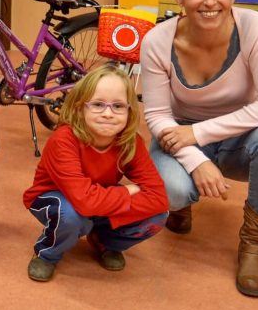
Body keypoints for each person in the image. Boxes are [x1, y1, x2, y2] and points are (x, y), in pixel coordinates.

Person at [140, 0, 258, 297]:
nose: (210, 1)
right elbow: (157, 115)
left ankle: (255, 244)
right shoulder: (156, 41)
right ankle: (182, 205)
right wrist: (195, 160)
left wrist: (198, 133)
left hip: (240, 136)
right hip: (177, 134)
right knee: (172, 191)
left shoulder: (254, 26)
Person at [23, 65, 169, 282]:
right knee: (72, 216)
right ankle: (47, 253)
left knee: (158, 216)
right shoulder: (64, 140)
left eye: (118, 106)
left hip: (95, 197)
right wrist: (126, 192)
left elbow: (159, 199)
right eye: (98, 104)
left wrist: (97, 203)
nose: (108, 114)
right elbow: (83, 201)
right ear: (79, 108)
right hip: (53, 197)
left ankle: (104, 241)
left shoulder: (131, 142)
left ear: (129, 111)